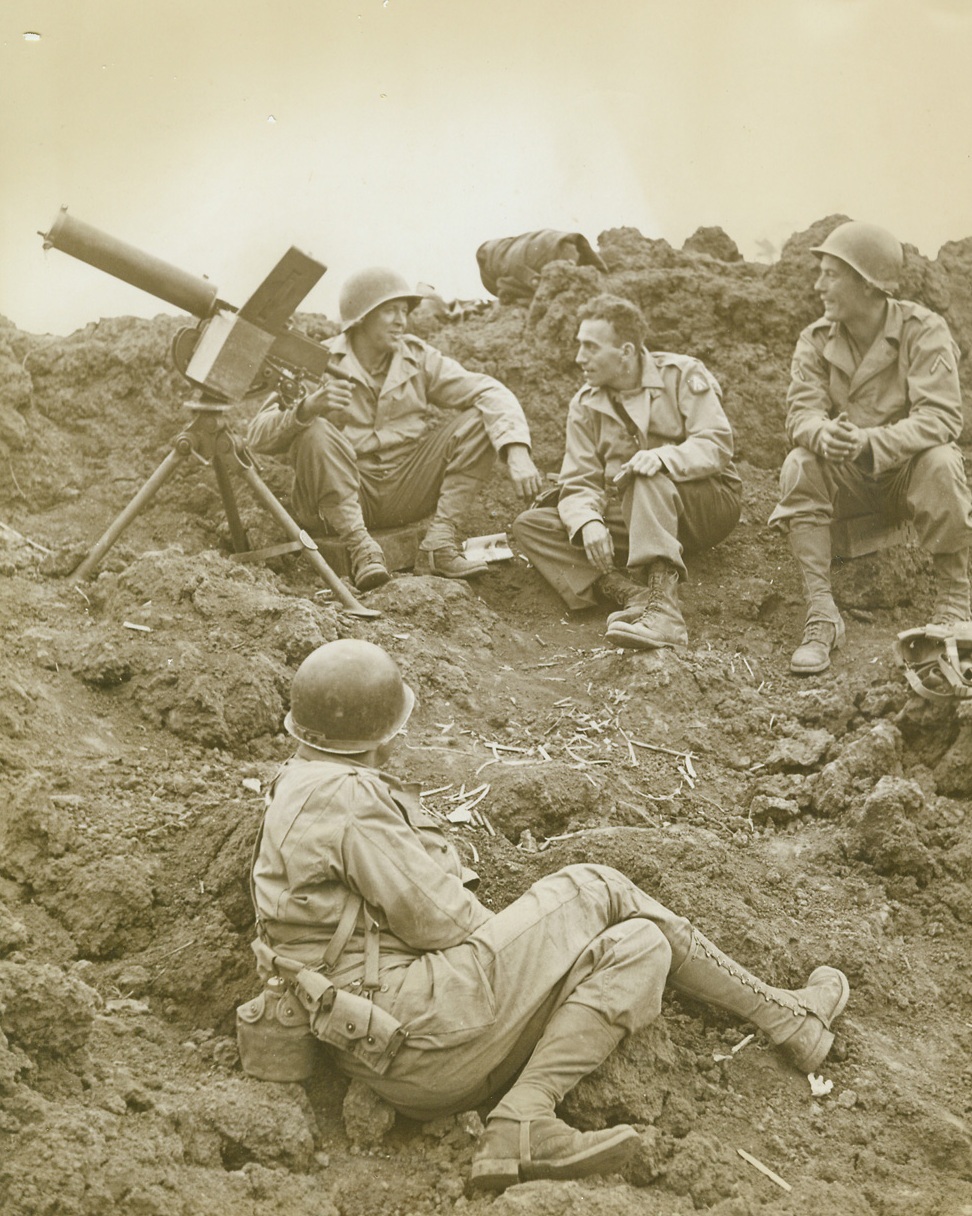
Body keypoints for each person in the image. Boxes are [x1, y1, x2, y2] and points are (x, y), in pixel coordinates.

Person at [250, 640, 850, 1193]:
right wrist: (533, 946)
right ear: (382, 732)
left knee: (639, 945)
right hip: (417, 1028)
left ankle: (522, 1119)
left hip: (396, 1049)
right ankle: (789, 1018)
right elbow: (446, 923)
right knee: (596, 886)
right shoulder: (348, 797)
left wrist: (535, 956)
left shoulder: (297, 783)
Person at [247, 267, 542, 589]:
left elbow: (488, 391)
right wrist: (308, 408)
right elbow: (257, 435)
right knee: (315, 432)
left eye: (404, 311)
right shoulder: (319, 360)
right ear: (362, 317)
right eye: (390, 311)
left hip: (404, 489)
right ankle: (361, 548)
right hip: (340, 496)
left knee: (479, 421)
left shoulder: (416, 357)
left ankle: (439, 544)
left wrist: (516, 451)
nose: (402, 321)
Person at [769, 220, 972, 675]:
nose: (819, 285)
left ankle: (955, 604)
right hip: (849, 484)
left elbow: (941, 418)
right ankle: (822, 614)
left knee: (942, 461)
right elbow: (800, 414)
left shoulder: (924, 330)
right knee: (799, 463)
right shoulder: (816, 340)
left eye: (830, 274)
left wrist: (869, 441)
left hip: (904, 481)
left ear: (866, 283)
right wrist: (825, 435)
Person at [512, 295, 741, 650]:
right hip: (636, 513)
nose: (579, 358)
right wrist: (587, 521)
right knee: (533, 524)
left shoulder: (681, 375)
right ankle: (630, 594)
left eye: (590, 347)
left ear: (627, 351)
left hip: (703, 505)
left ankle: (665, 614)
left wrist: (664, 458)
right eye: (579, 346)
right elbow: (580, 480)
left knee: (644, 475)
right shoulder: (585, 404)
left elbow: (717, 443)